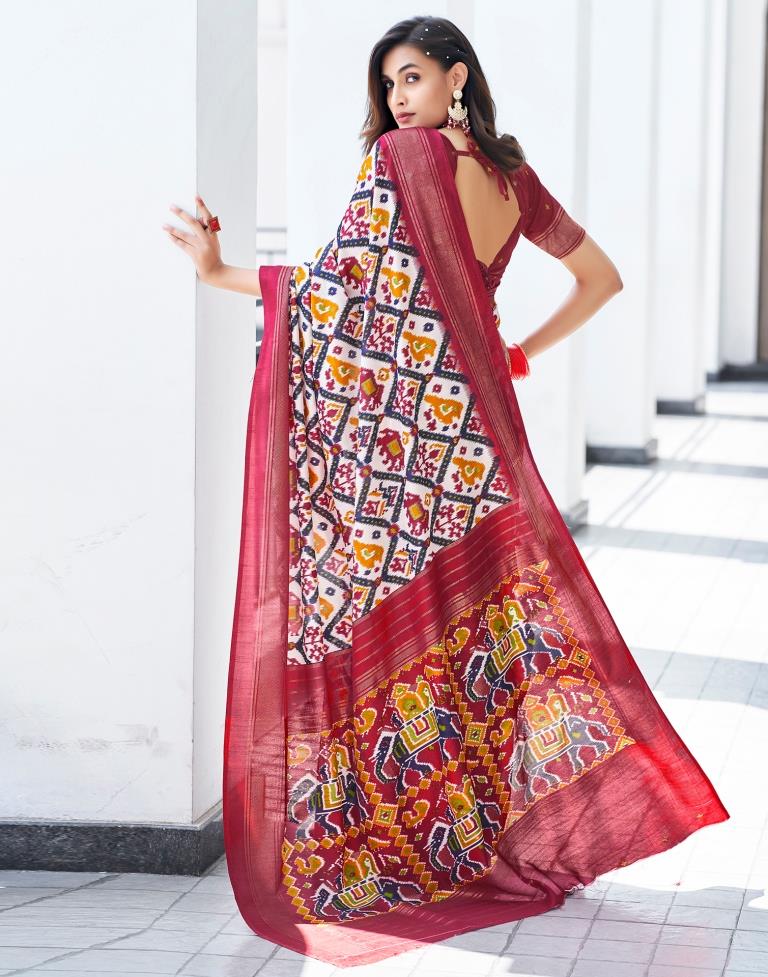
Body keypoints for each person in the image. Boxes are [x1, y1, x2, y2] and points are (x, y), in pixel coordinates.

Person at [163, 15, 729, 970]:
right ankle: (467, 838)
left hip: (405, 443)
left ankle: (405, 845)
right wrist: (516, 354)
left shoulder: (406, 158)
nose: (398, 99)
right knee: (472, 620)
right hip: (479, 431)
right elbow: (601, 278)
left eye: (413, 77)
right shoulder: (514, 180)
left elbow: (341, 295)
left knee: (363, 614)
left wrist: (224, 274)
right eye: (388, 85)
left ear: (457, 77)